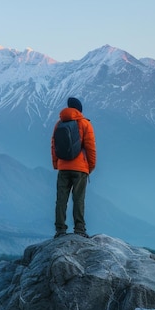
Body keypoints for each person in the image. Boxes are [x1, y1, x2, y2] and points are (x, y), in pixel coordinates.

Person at [51, 97, 97, 238]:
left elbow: (54, 146)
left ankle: (60, 230)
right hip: (80, 169)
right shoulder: (85, 124)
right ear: (79, 109)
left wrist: (56, 163)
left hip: (63, 167)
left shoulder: (59, 123)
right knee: (78, 199)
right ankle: (79, 229)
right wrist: (90, 166)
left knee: (61, 199)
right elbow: (90, 147)